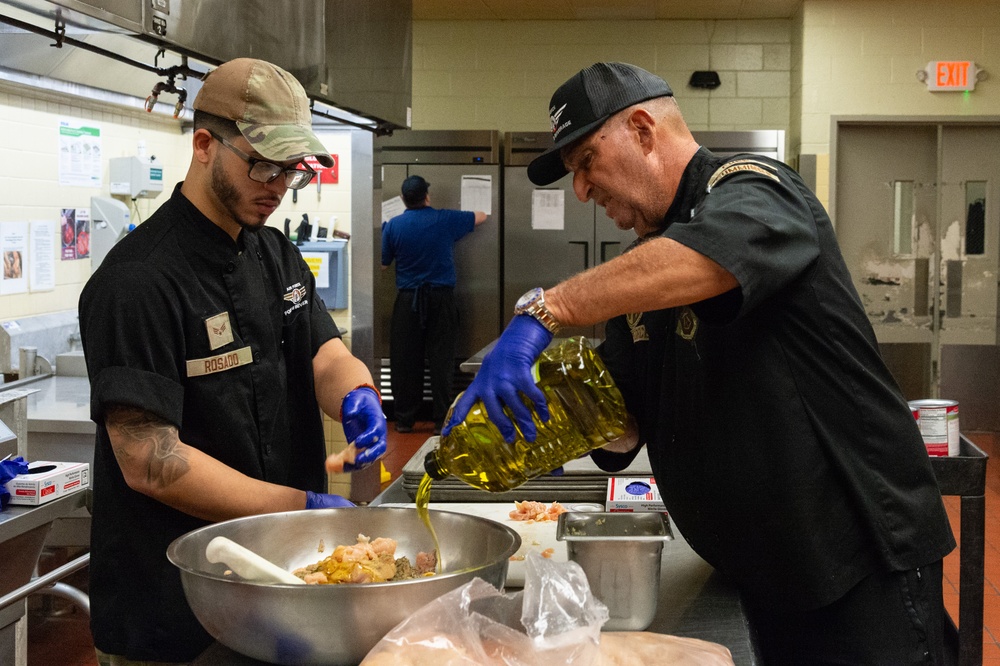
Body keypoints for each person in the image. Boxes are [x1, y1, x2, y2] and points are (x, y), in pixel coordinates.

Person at [444, 62, 957, 664]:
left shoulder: (755, 188)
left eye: (585, 162)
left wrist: (544, 311)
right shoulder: (648, 265)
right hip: (765, 567)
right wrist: (540, 423)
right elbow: (626, 417)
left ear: (640, 128)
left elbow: (708, 260)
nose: (580, 190)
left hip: (857, 558)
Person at [79, 57, 387, 664]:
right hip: (173, 608)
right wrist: (300, 507)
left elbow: (322, 350)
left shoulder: (274, 252)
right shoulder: (138, 282)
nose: (275, 185)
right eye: (262, 163)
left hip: (279, 591)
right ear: (203, 145)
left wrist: (357, 395)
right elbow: (149, 461)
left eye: (290, 170)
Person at [381, 175, 487, 434]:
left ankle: (405, 420)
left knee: (406, 361)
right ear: (427, 196)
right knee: (442, 360)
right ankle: (441, 419)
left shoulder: (393, 225)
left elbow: (384, 263)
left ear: (404, 199)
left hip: (408, 301)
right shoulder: (446, 219)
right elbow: (481, 215)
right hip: (441, 299)